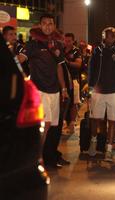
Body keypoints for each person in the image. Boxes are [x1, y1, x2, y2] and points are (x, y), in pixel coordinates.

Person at [23, 13, 69, 168]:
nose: (48, 26)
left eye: (51, 23)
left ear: (54, 26)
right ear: (40, 25)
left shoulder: (57, 44)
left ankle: (45, 156)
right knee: (46, 124)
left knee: (53, 127)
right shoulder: (32, 44)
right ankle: (37, 157)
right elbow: (20, 59)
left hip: (55, 91)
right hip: (39, 90)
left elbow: (59, 67)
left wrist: (63, 88)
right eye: (45, 23)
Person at [88, 27, 115, 161]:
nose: (111, 38)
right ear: (104, 36)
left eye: (113, 36)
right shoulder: (97, 50)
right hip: (98, 91)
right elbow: (91, 67)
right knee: (96, 118)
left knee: (113, 120)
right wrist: (90, 85)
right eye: (108, 36)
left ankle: (109, 149)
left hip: (114, 91)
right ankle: (94, 140)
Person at [64, 33, 82, 134]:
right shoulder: (61, 50)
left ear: (73, 41)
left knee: (74, 102)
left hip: (74, 80)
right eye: (65, 40)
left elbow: (78, 64)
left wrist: (68, 63)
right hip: (63, 81)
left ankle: (72, 123)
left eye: (69, 41)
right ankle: (64, 123)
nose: (67, 43)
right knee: (64, 102)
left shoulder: (76, 51)